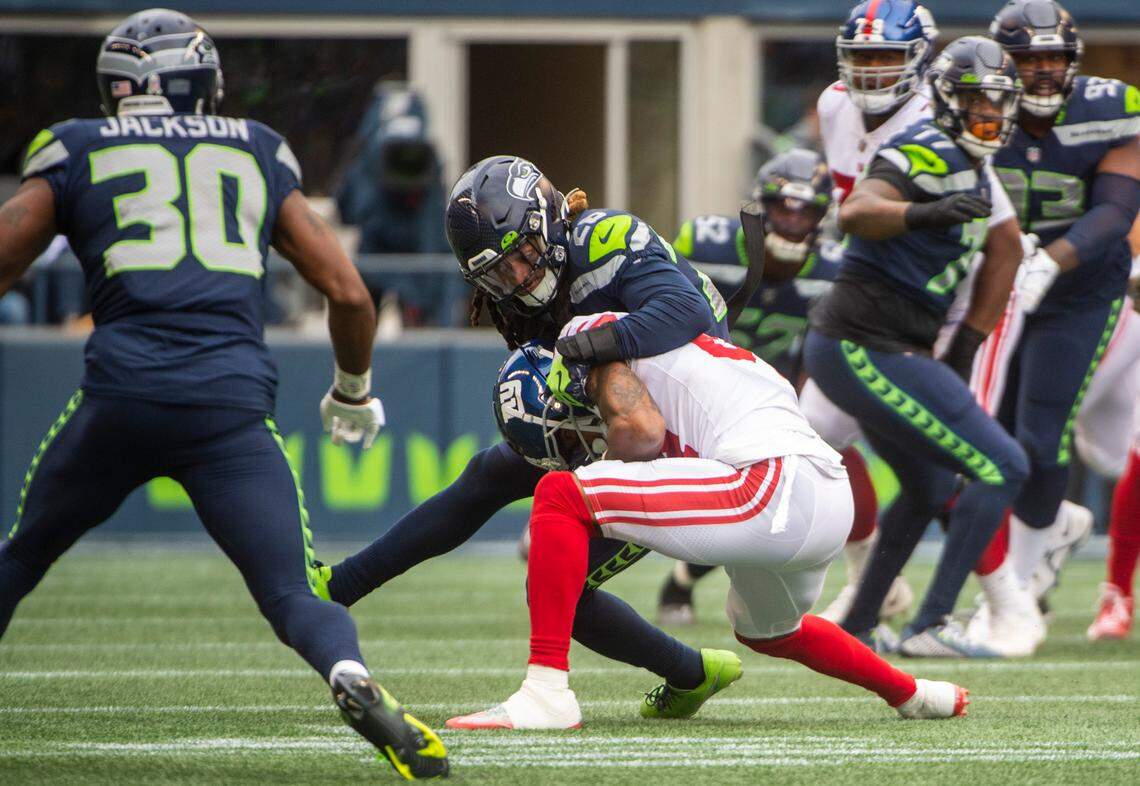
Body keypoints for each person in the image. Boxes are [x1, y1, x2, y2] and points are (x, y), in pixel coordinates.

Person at [0, 10, 446, 779]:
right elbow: (349, 293)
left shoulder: (78, 144)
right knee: (292, 592)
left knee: (24, 553)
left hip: (122, 395)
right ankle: (347, 672)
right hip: (228, 406)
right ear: (198, 83)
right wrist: (351, 391)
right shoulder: (254, 147)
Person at [321, 154, 744, 717]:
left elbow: (684, 313)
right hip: (616, 417)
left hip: (683, 440)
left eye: (522, 254)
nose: (518, 278)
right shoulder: (509, 298)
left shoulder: (604, 238)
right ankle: (338, 588)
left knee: (560, 587)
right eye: (499, 273)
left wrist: (585, 348)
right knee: (489, 473)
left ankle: (690, 673)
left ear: (547, 221)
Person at [447, 313, 968, 729]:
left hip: (770, 483)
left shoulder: (588, 341)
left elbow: (644, 432)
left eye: (564, 437)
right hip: (827, 494)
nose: (572, 448)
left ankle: (545, 694)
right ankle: (913, 694)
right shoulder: (679, 349)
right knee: (770, 632)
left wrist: (590, 493)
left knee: (560, 494)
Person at [803, 36, 1028, 657]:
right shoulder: (927, 147)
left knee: (930, 486)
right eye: (977, 100)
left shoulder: (974, 163)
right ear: (948, 100)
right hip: (862, 343)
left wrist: (964, 349)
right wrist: (923, 214)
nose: (990, 114)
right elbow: (857, 210)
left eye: (999, 102)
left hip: (888, 344)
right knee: (1004, 465)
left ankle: (858, 625)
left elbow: (1006, 249)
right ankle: (931, 623)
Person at [955, 0, 1140, 655]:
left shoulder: (1110, 109)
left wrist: (1050, 261)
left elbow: (1115, 211)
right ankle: (1045, 537)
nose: (1041, 70)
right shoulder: (974, 105)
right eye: (1027, 58)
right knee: (988, 439)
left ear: (1072, 61)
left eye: (1053, 57)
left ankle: (1020, 592)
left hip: (1078, 293)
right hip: (993, 290)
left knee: (1040, 433)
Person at [796, 0, 947, 626]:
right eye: (863, 57)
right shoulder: (836, 105)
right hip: (866, 300)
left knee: (952, 460)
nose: (873, 70)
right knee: (811, 436)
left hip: (938, 301)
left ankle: (1007, 596)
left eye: (887, 55)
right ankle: (869, 584)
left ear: (919, 59)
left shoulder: (939, 115)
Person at [657, 148, 842, 624]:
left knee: (752, 497)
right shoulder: (707, 243)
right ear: (762, 205)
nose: (793, 221)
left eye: (806, 211)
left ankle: (682, 581)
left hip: (765, 397)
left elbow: (817, 354)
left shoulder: (831, 270)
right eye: (783, 207)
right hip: (693, 384)